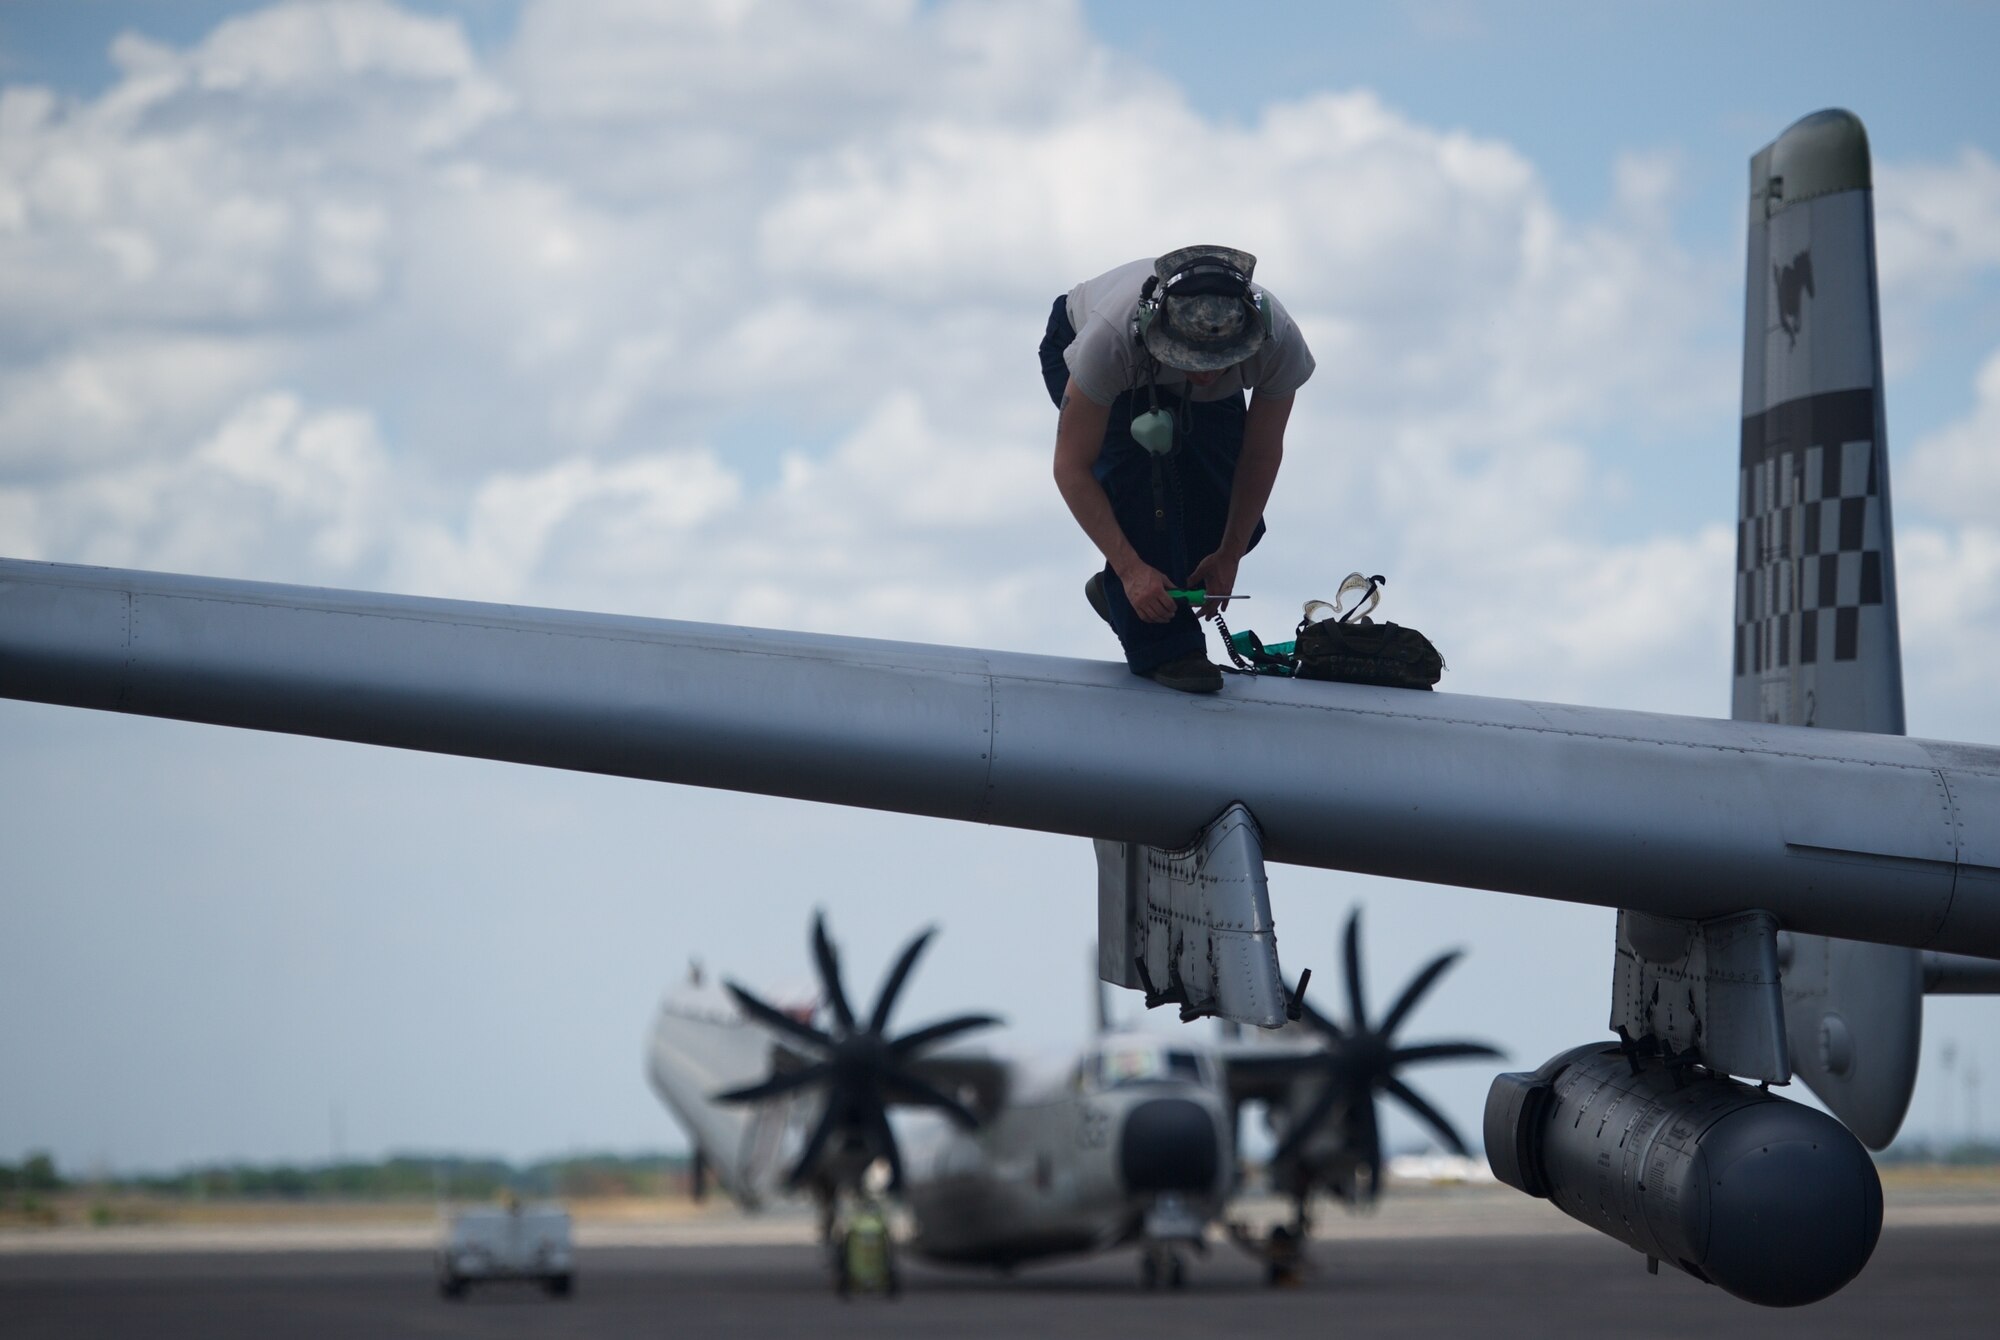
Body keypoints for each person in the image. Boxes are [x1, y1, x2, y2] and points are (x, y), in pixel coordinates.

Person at [1043, 246, 1314, 693]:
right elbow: (1071, 467)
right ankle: (1168, 648)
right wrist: (1130, 568)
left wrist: (1229, 553)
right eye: (1194, 361)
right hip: (1105, 355)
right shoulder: (1108, 343)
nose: (1205, 375)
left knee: (1231, 517)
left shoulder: (1279, 340)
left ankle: (1127, 593)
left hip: (1174, 376)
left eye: (1218, 362)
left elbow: (1261, 455)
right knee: (1148, 496)